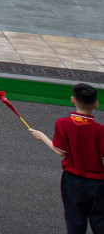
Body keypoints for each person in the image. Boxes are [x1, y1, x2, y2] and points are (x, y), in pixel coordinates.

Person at [27, 81, 104, 234]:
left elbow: (60, 151)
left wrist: (42, 136)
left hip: (72, 182)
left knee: (75, 222)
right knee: (100, 222)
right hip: (98, 184)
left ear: (72, 100)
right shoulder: (101, 130)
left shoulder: (63, 123)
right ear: (96, 104)